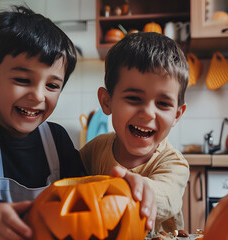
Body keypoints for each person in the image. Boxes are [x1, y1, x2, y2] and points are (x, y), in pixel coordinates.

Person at [0, 6, 154, 240]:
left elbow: (88, 199)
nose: (38, 96)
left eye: (52, 85)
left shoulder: (57, 140)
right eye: (23, 80)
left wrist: (124, 188)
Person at [80, 32, 190, 233]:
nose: (148, 113)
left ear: (177, 115)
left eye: (163, 104)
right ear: (107, 101)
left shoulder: (173, 163)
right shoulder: (94, 150)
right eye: (134, 98)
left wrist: (141, 189)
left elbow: (169, 197)